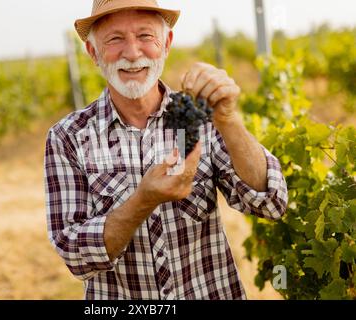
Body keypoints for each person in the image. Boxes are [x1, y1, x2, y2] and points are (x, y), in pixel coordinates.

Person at [44, 0, 288, 300]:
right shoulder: (68, 137)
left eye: (145, 36)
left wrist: (228, 119)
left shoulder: (199, 115)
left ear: (166, 43)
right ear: (93, 52)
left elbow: (272, 202)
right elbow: (74, 254)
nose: (133, 53)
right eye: (115, 39)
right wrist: (142, 202)